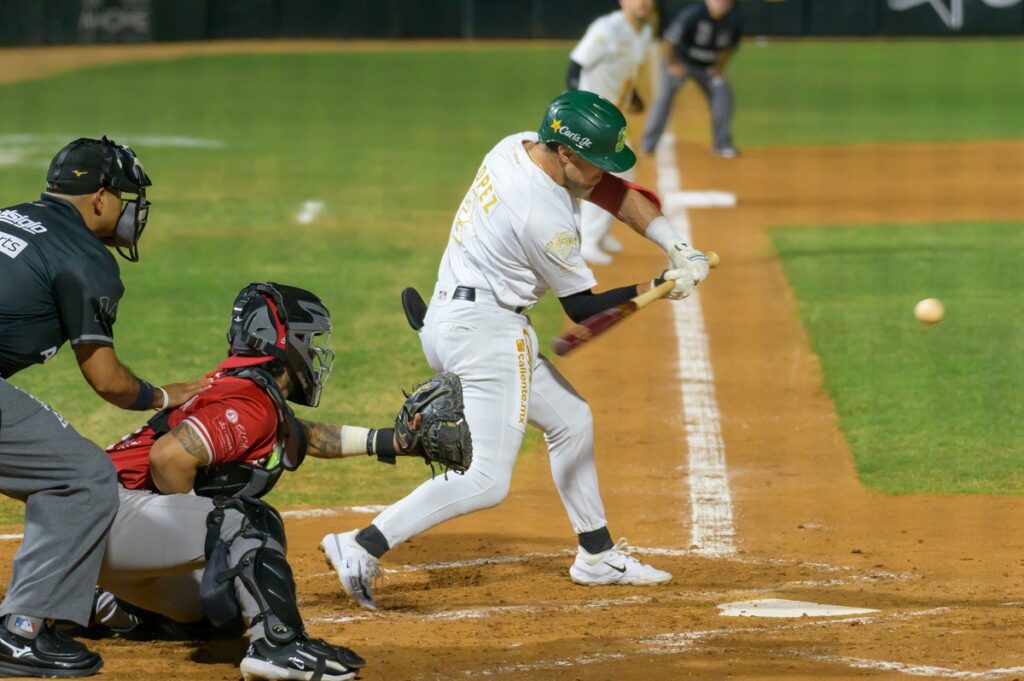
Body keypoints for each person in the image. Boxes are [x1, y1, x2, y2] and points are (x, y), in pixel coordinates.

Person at [321, 90, 711, 611]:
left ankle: (596, 556)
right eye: (595, 162)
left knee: (572, 420)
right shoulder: (541, 215)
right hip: (486, 333)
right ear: (567, 154)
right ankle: (361, 544)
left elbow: (613, 192)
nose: (601, 172)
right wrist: (660, 284)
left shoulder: (517, 147)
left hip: (448, 314)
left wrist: (675, 244)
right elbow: (582, 309)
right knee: (485, 479)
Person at [94, 282, 468, 681]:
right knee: (247, 521)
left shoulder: (243, 390)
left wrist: (391, 442)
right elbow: (168, 457)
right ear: (282, 341)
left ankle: (106, 606)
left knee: (224, 610)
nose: (315, 352)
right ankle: (279, 644)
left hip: (90, 535)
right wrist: (199, 522)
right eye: (310, 339)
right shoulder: (249, 401)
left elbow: (298, 434)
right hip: (114, 519)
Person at [0, 136, 208, 678]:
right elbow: (109, 383)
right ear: (98, 198)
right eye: (125, 197)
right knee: (82, 476)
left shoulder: (10, 217)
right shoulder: (85, 257)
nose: (130, 211)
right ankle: (22, 630)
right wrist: (164, 396)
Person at [566, 0, 655, 266]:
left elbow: (626, 70)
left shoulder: (644, 32)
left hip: (609, 116)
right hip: (590, 115)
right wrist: (577, 111)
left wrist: (633, 96)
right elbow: (575, 66)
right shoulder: (606, 28)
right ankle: (589, 242)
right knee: (602, 175)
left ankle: (600, 235)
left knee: (621, 173)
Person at [640, 0, 742, 158]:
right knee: (664, 97)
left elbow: (730, 48)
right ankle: (648, 143)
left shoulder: (733, 21)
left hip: (707, 68)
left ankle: (722, 144)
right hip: (681, 62)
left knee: (723, 96)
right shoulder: (693, 15)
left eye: (726, 1)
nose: (721, 4)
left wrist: (719, 68)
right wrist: (673, 64)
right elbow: (669, 41)